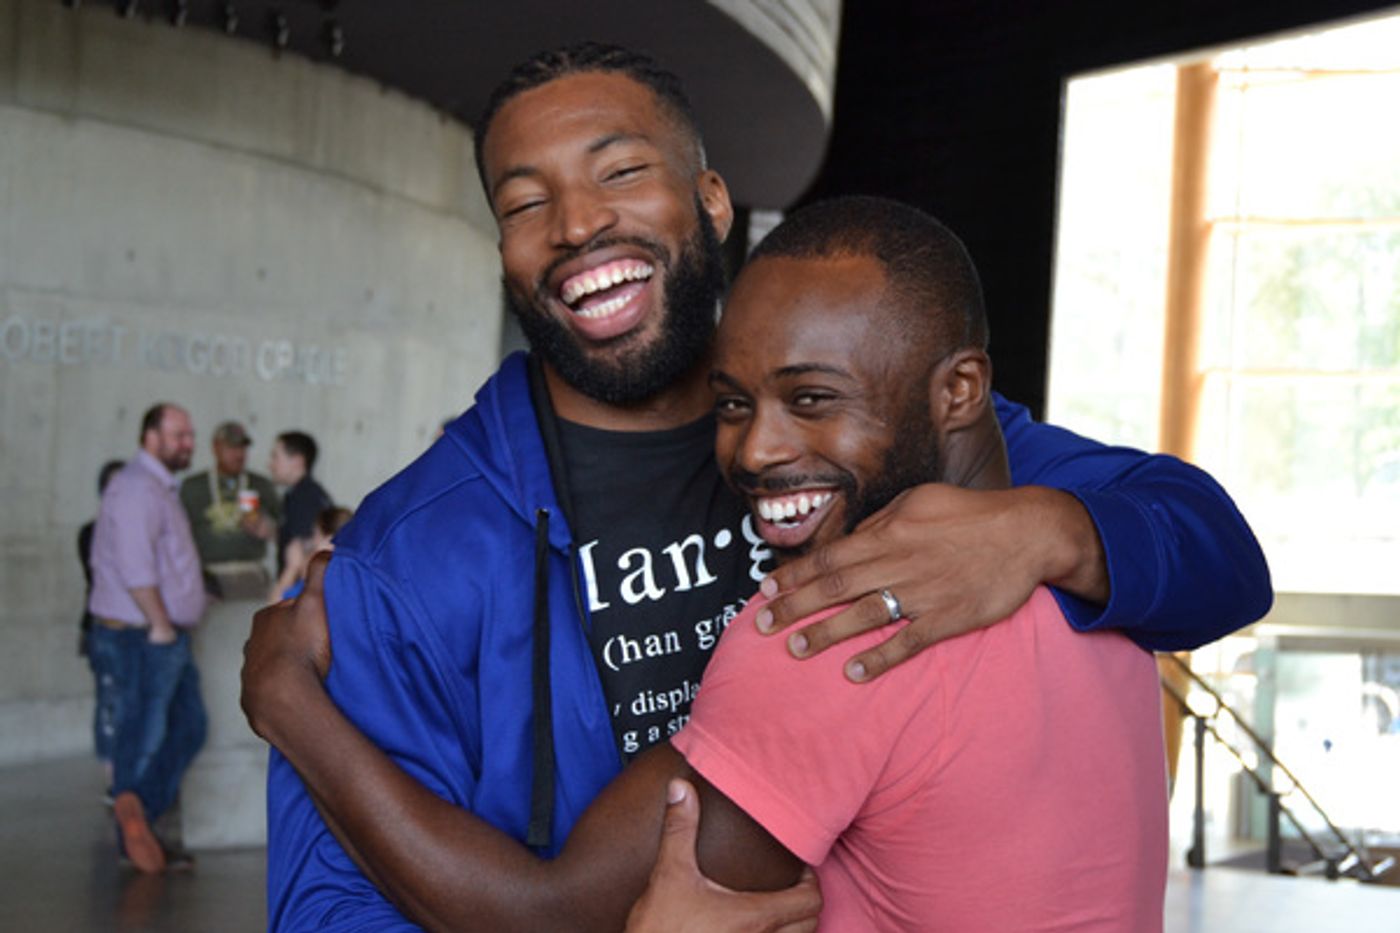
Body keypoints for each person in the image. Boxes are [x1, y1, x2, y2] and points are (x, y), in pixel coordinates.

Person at [241, 43, 1269, 929]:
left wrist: (1053, 530)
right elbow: (335, 913)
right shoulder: (403, 553)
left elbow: (1214, 553)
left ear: (711, 200)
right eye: (523, 203)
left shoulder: (899, 447)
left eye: (620, 172)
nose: (575, 225)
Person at [87, 403, 209, 875]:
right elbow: (135, 566)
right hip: (143, 638)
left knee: (189, 727)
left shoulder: (159, 487)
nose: (188, 443)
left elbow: (164, 559)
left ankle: (138, 810)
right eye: (180, 434)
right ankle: (133, 833)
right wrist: (160, 621)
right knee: (141, 738)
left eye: (190, 434)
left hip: (163, 636)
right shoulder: (137, 488)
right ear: (150, 436)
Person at [179, 420, 281, 597]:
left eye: (242, 448)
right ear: (216, 448)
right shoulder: (192, 487)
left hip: (251, 575)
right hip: (206, 577)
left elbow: (288, 535)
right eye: (231, 448)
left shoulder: (261, 485)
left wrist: (269, 529)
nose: (239, 454)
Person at [78, 457, 127, 784]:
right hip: (104, 627)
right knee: (110, 703)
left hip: (133, 629)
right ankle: (113, 779)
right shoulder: (92, 532)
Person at [266, 430, 333, 602]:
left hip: (297, 599)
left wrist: (284, 591)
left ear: (297, 461)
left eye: (275, 457)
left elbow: (302, 552)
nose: (270, 464)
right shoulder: (307, 494)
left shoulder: (304, 499)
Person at [278, 505, 353, 601]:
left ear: (328, 542)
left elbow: (272, 609)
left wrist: (292, 568)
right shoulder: (354, 575)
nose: (313, 541)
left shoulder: (319, 582)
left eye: (315, 534)